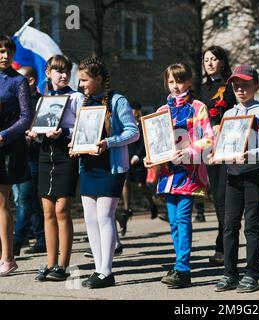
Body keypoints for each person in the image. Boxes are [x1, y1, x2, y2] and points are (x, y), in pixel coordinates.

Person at [70, 57, 139, 289]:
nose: (81, 85)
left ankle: (106, 271)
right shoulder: (86, 102)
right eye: (80, 81)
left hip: (111, 167)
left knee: (104, 217)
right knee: (90, 219)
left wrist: (109, 142)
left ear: (98, 78)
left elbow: (133, 132)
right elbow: (80, 132)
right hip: (88, 166)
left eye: (85, 80)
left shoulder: (118, 100)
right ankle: (98, 269)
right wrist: (74, 145)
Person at [144, 63, 214, 288]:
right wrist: (151, 159)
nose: (175, 86)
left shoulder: (198, 107)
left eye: (180, 81)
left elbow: (210, 139)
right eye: (171, 82)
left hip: (189, 172)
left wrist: (188, 151)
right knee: (173, 222)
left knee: (183, 219)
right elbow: (155, 143)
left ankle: (183, 268)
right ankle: (179, 265)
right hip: (167, 174)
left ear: (189, 82)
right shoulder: (162, 110)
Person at [213, 65, 259, 293]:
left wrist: (248, 155)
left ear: (255, 86)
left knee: (251, 225)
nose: (240, 89)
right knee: (229, 226)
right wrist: (215, 153)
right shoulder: (229, 114)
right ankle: (229, 273)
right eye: (236, 85)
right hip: (233, 176)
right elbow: (223, 145)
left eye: (245, 85)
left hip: (254, 175)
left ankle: (252, 273)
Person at [27, 55, 84, 282]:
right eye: (58, 71)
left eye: (66, 71)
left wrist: (66, 133)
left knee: (62, 211)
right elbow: (39, 129)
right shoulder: (43, 98)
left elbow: (84, 127)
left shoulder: (77, 97)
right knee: (47, 212)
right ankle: (50, 263)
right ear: (48, 72)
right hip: (44, 156)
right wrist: (35, 134)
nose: (63, 75)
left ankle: (63, 265)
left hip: (66, 156)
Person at [0, 35, 34, 276]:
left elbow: (26, 117)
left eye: (8, 51)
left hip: (8, 146)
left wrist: (4, 135)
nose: (4, 55)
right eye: (1, 51)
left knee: (2, 203)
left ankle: (8, 257)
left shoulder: (19, 81)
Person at [200, 45, 237, 264]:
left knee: (225, 198)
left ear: (222, 61)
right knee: (217, 198)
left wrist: (222, 125)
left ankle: (224, 246)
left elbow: (238, 113)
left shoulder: (232, 85)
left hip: (230, 147)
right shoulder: (203, 88)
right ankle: (224, 242)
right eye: (206, 60)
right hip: (209, 149)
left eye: (214, 59)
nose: (210, 63)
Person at [12, 66, 46, 256]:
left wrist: (33, 134)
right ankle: (41, 238)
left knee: (24, 199)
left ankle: (16, 241)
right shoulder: (16, 100)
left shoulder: (39, 102)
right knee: (27, 200)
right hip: (17, 155)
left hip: (33, 156)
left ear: (31, 81)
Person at [117, 100, 158, 237]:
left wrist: (137, 156)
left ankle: (152, 203)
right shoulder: (125, 124)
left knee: (141, 184)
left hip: (138, 159)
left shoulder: (142, 124)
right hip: (127, 158)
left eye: (133, 110)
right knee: (125, 182)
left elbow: (144, 143)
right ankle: (127, 209)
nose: (131, 112)